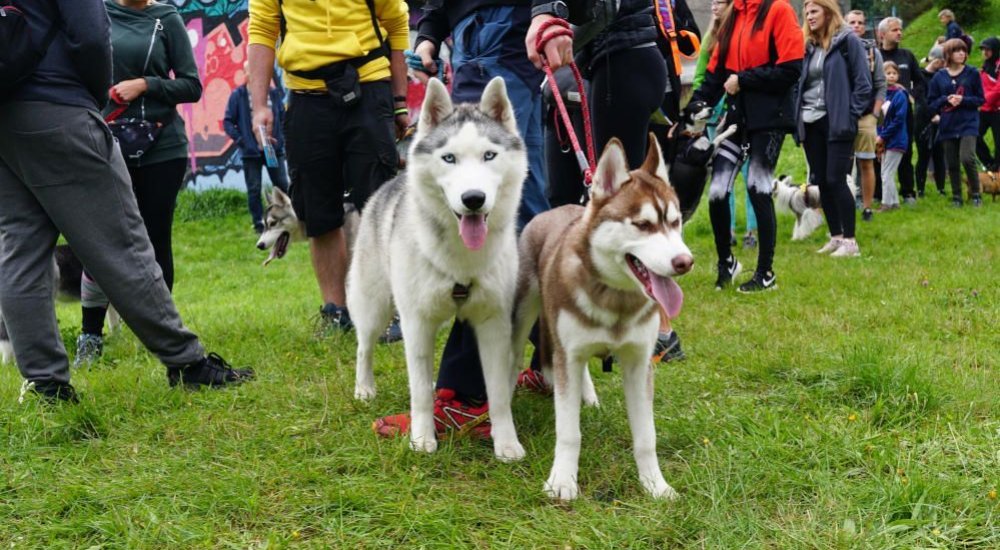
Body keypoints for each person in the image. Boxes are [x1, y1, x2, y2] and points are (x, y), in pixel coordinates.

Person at [0, 0, 254, 402]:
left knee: (20, 249)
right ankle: (187, 363)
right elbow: (91, 39)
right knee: (123, 242)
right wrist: (92, 99)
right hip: (61, 110)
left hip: (6, 120)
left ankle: (45, 384)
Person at [372, 0, 578, 440]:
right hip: (473, 35)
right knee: (527, 214)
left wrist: (545, 9)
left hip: (504, 33)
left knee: (515, 220)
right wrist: (431, 28)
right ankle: (551, 363)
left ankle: (466, 396)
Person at [247, 0, 410, 332]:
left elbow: (396, 23)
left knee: (381, 205)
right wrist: (260, 105)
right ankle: (336, 311)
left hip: (368, 87)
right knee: (318, 212)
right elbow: (262, 31)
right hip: (306, 96)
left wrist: (399, 101)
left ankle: (395, 309)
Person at [74, 0, 205, 364]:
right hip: (104, 142)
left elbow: (192, 86)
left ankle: (165, 337)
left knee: (156, 239)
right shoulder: (92, 13)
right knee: (100, 240)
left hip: (163, 146)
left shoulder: (166, 18)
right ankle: (90, 336)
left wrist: (145, 85)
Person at [689, 0, 804, 292]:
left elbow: (791, 69)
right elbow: (715, 74)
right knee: (716, 191)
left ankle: (765, 273)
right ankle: (726, 261)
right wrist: (695, 106)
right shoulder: (733, 16)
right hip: (737, 120)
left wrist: (744, 80)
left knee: (758, 187)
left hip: (770, 119)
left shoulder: (779, 10)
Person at [795, 0, 870, 258]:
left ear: (828, 12)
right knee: (822, 182)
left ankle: (851, 242)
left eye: (814, 11)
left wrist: (850, 115)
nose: (809, 16)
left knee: (836, 180)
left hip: (837, 121)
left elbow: (863, 83)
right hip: (809, 120)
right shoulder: (808, 45)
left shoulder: (848, 41)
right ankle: (836, 237)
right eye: (806, 12)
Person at [224, 61, 290, 235]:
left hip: (271, 150)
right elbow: (228, 122)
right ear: (245, 74)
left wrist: (280, 138)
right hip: (251, 151)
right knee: (254, 189)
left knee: (282, 185)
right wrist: (242, 141)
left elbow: (282, 118)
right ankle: (259, 224)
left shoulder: (274, 94)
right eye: (251, 71)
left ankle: (288, 218)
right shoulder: (237, 96)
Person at [929, 38, 985, 207]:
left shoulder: (972, 73)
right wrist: (946, 99)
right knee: (952, 163)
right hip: (948, 124)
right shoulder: (939, 77)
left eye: (964, 50)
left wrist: (963, 99)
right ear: (948, 54)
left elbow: (980, 99)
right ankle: (957, 196)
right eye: (957, 50)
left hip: (968, 122)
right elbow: (931, 102)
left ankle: (976, 194)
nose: (962, 53)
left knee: (967, 158)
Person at [878, 17, 925, 205]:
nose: (899, 32)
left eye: (900, 29)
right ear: (882, 34)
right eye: (894, 30)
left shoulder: (907, 55)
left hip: (903, 113)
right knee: (878, 152)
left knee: (904, 152)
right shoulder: (875, 55)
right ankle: (880, 194)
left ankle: (908, 192)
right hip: (880, 112)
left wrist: (911, 94)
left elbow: (921, 81)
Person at [845, 10, 885, 222]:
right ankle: (844, 205)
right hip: (842, 114)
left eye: (860, 22)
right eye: (852, 22)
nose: (856, 26)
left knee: (866, 162)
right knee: (842, 164)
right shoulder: (838, 49)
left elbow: (880, 84)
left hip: (866, 115)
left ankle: (867, 207)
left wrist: (875, 113)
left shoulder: (872, 52)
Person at [877, 61, 910, 212]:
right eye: (888, 73)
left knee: (887, 173)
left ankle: (886, 203)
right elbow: (878, 119)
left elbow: (899, 119)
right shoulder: (881, 95)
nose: (891, 76)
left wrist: (883, 136)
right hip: (884, 140)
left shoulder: (900, 95)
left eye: (894, 73)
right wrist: (879, 137)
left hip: (896, 140)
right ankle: (895, 202)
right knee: (885, 171)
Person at [915, 45, 948, 196]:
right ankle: (920, 189)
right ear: (937, 61)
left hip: (939, 119)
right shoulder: (919, 76)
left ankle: (941, 188)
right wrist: (931, 115)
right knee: (923, 155)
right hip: (923, 120)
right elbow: (920, 99)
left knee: (939, 155)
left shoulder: (941, 76)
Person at [977, 37, 1000, 171]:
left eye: (988, 49)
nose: (985, 52)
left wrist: (982, 100)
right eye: (983, 49)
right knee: (973, 134)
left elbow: (998, 89)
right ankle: (990, 164)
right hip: (985, 109)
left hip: (997, 109)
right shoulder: (985, 66)